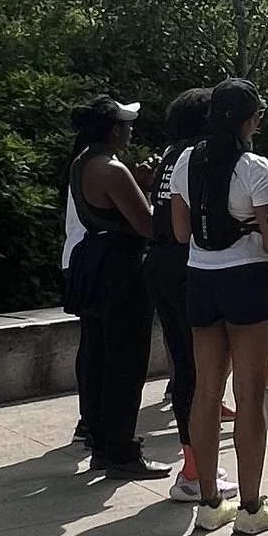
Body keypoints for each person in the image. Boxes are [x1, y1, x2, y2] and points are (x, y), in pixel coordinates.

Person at [164, 77, 268, 531]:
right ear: (249, 121)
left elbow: (181, 233)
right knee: (250, 396)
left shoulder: (186, 161)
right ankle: (252, 508)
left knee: (206, 392)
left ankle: (210, 503)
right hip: (247, 281)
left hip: (201, 280)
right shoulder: (255, 168)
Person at [62, 97, 165, 480]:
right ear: (114, 130)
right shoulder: (112, 168)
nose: (132, 130)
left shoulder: (82, 161)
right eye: (127, 124)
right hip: (121, 268)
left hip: (93, 262)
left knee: (97, 355)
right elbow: (147, 225)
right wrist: (152, 193)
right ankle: (122, 450)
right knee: (126, 360)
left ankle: (101, 442)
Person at [146, 89, 209, 497]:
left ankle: (193, 465)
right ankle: (195, 472)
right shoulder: (196, 158)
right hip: (187, 265)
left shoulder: (169, 156)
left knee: (185, 368)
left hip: (160, 262)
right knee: (198, 370)